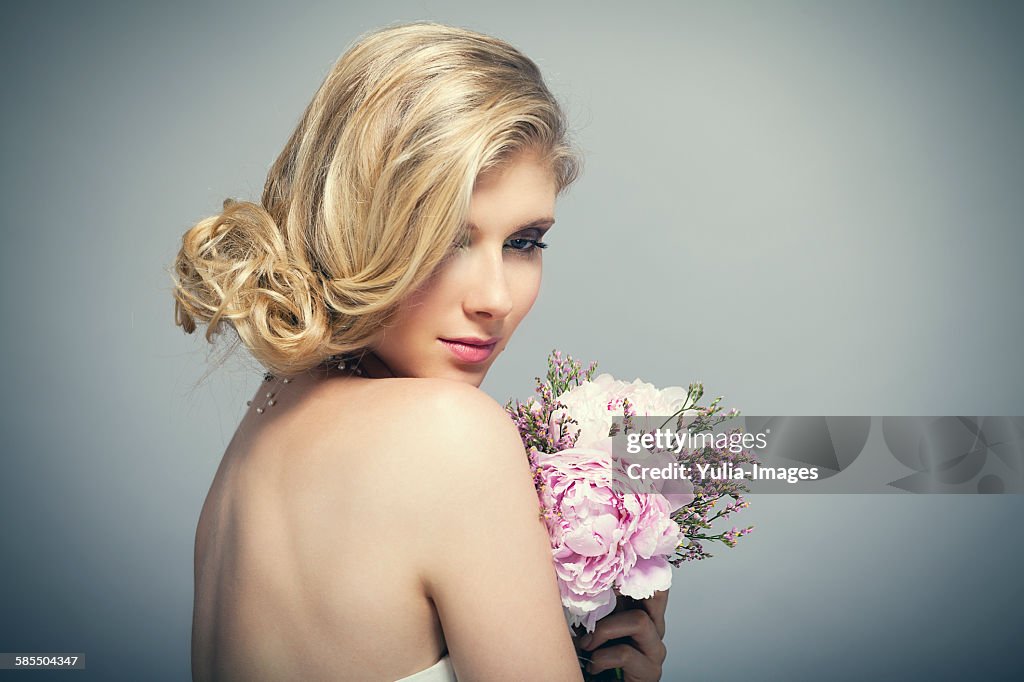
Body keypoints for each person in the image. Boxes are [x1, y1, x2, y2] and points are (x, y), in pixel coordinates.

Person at [172, 21, 669, 681]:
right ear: (357, 226)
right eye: (447, 238)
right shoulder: (447, 432)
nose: (495, 297)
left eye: (525, 242)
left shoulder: (268, 418)